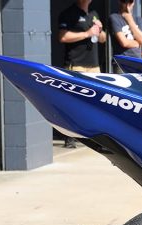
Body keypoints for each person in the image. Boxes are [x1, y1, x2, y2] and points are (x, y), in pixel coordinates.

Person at [57, 0, 106, 148]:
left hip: (94, 66)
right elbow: (63, 37)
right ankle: (69, 137)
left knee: (95, 103)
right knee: (73, 102)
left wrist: (100, 30)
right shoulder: (68, 13)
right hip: (76, 64)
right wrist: (87, 33)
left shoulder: (94, 14)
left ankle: (93, 137)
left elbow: (102, 39)